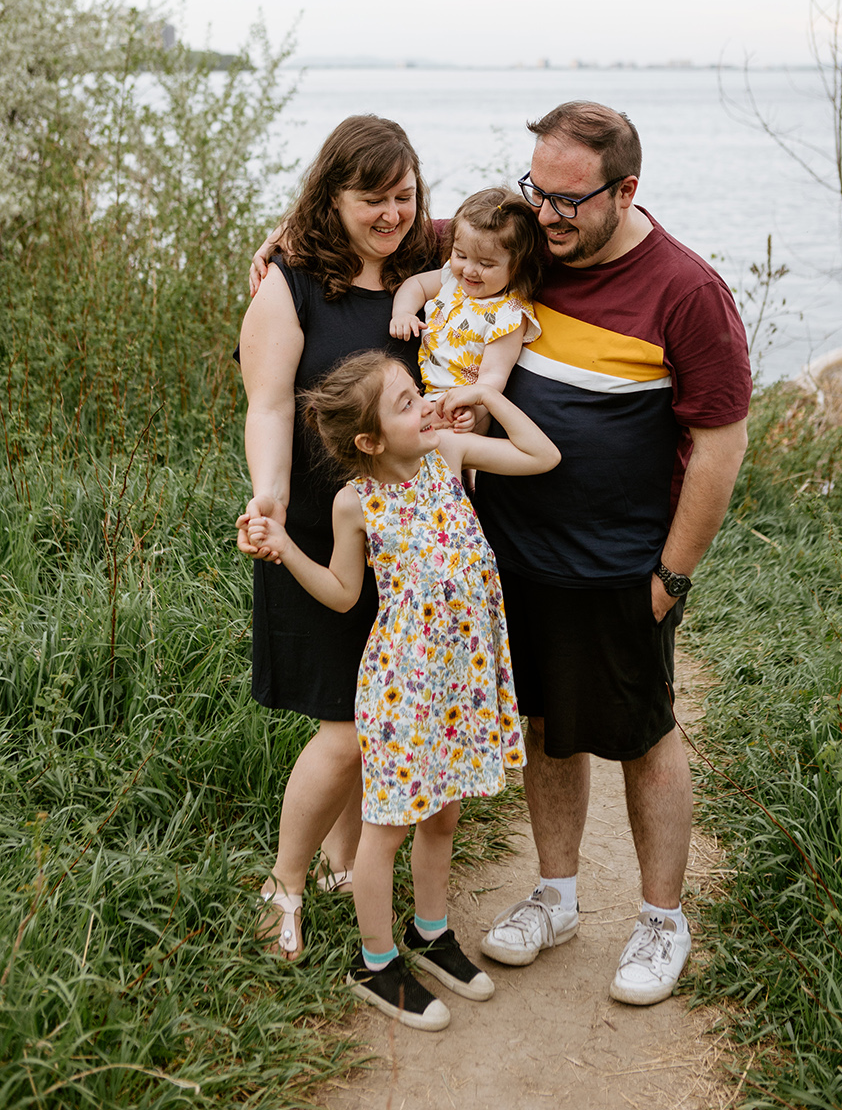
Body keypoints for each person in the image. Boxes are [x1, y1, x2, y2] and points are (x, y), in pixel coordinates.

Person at [470, 101, 752, 1006]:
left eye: (566, 202)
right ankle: (555, 900)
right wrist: (291, 235)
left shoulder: (686, 291)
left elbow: (718, 448)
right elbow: (413, 223)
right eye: (534, 193)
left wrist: (670, 577)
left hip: (621, 567)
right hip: (515, 555)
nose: (543, 217)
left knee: (641, 736)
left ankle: (662, 920)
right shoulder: (527, 248)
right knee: (547, 729)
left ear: (625, 190)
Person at [244, 351, 560, 1029]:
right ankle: (376, 961)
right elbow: (342, 593)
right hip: (403, 684)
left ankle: (429, 930)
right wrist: (284, 549)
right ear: (369, 441)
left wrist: (483, 395)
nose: (424, 406)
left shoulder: (446, 452)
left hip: (463, 678)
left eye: (419, 393)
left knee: (443, 815)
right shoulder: (354, 503)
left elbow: (540, 456)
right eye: (405, 403)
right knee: (385, 829)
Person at [236, 114, 436, 960]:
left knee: (375, 718)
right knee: (347, 725)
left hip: (406, 539)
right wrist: (270, 496)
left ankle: (342, 864)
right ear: (332, 196)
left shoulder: (430, 263)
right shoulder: (291, 279)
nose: (391, 213)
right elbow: (270, 402)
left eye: (403, 195)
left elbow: (505, 228)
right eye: (370, 199)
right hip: (319, 529)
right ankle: (282, 883)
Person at [389, 187, 544, 425]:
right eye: (461, 255)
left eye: (486, 264)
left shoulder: (509, 314)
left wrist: (474, 410)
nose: (469, 270)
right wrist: (403, 313)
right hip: (426, 395)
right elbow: (416, 285)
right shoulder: (452, 277)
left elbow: (493, 377)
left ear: (517, 266)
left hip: (463, 407)